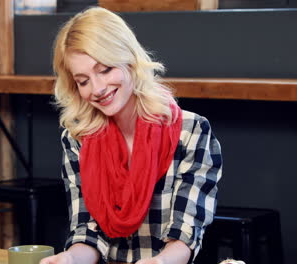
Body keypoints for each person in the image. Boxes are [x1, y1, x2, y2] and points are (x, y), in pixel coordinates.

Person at [41, 7, 222, 264]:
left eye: (105, 70)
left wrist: (158, 262)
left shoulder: (191, 132)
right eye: (83, 81)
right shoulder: (78, 139)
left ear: (129, 59)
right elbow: (87, 231)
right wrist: (69, 259)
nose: (98, 89)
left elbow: (185, 234)